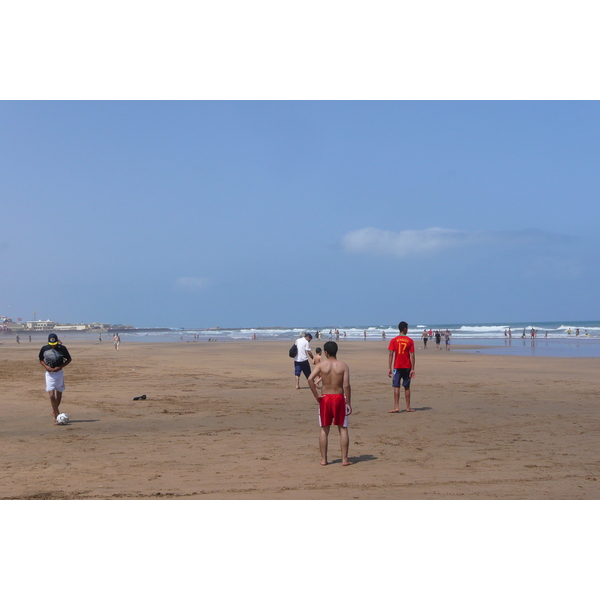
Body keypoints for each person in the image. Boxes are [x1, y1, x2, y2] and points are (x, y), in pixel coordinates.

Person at [307, 341, 353, 466]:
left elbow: (310, 379)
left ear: (326, 353)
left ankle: (324, 459)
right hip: (338, 397)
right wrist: (348, 402)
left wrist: (316, 395)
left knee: (324, 429)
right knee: (342, 428)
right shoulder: (343, 366)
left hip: (325, 398)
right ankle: (344, 459)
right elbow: (347, 385)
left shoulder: (321, 365)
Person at [39, 332, 72, 424]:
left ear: (57, 341)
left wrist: (60, 367)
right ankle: (57, 415)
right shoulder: (44, 349)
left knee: (59, 394)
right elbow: (41, 360)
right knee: (52, 395)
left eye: (54, 344)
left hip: (59, 373)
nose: (53, 346)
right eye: (51, 344)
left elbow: (69, 359)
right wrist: (46, 367)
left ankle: (54, 411)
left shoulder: (62, 349)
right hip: (49, 374)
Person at [387, 321, 415, 413]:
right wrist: (413, 369)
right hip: (407, 366)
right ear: (404, 329)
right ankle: (408, 407)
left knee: (396, 386)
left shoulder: (394, 340)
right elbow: (412, 355)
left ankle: (396, 407)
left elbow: (391, 354)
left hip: (397, 366)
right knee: (407, 386)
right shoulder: (410, 341)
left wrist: (389, 367)